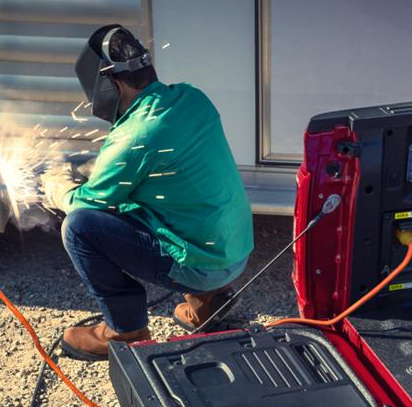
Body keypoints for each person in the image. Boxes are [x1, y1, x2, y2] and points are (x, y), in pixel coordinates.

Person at [42, 24, 254, 361]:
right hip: (235, 252)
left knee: (79, 227)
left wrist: (58, 191)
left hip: (202, 267)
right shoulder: (191, 97)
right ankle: (210, 301)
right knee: (144, 205)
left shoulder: (136, 134)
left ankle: (125, 331)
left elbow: (89, 202)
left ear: (111, 85)